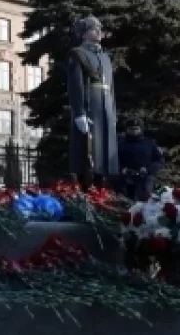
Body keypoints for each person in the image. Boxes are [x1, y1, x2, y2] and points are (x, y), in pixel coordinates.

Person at [67, 15, 119, 189]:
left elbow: (111, 87)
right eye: (93, 28)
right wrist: (79, 112)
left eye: (99, 28)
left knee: (106, 149)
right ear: (83, 34)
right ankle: (86, 187)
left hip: (106, 105)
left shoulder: (105, 57)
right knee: (88, 150)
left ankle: (102, 188)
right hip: (90, 106)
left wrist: (113, 111)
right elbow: (76, 85)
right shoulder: (78, 54)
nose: (98, 31)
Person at [117, 117, 163, 201]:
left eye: (136, 129)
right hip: (126, 179)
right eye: (131, 129)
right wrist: (122, 169)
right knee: (126, 204)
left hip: (145, 178)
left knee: (144, 202)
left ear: (141, 129)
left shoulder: (149, 143)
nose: (134, 131)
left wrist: (148, 169)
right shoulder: (120, 144)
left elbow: (159, 160)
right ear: (126, 130)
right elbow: (114, 161)